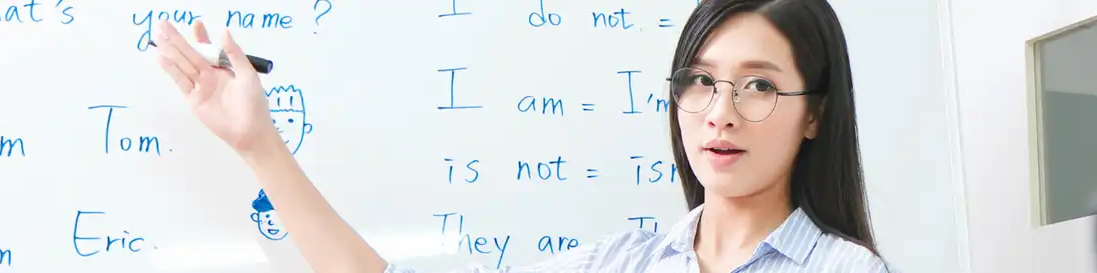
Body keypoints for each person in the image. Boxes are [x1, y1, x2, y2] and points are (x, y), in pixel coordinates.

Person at [151, 0, 891, 271]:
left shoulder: (844, 270)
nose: (720, 111)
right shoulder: (621, 262)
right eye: (699, 80)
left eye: (759, 85)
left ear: (816, 112)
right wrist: (257, 144)